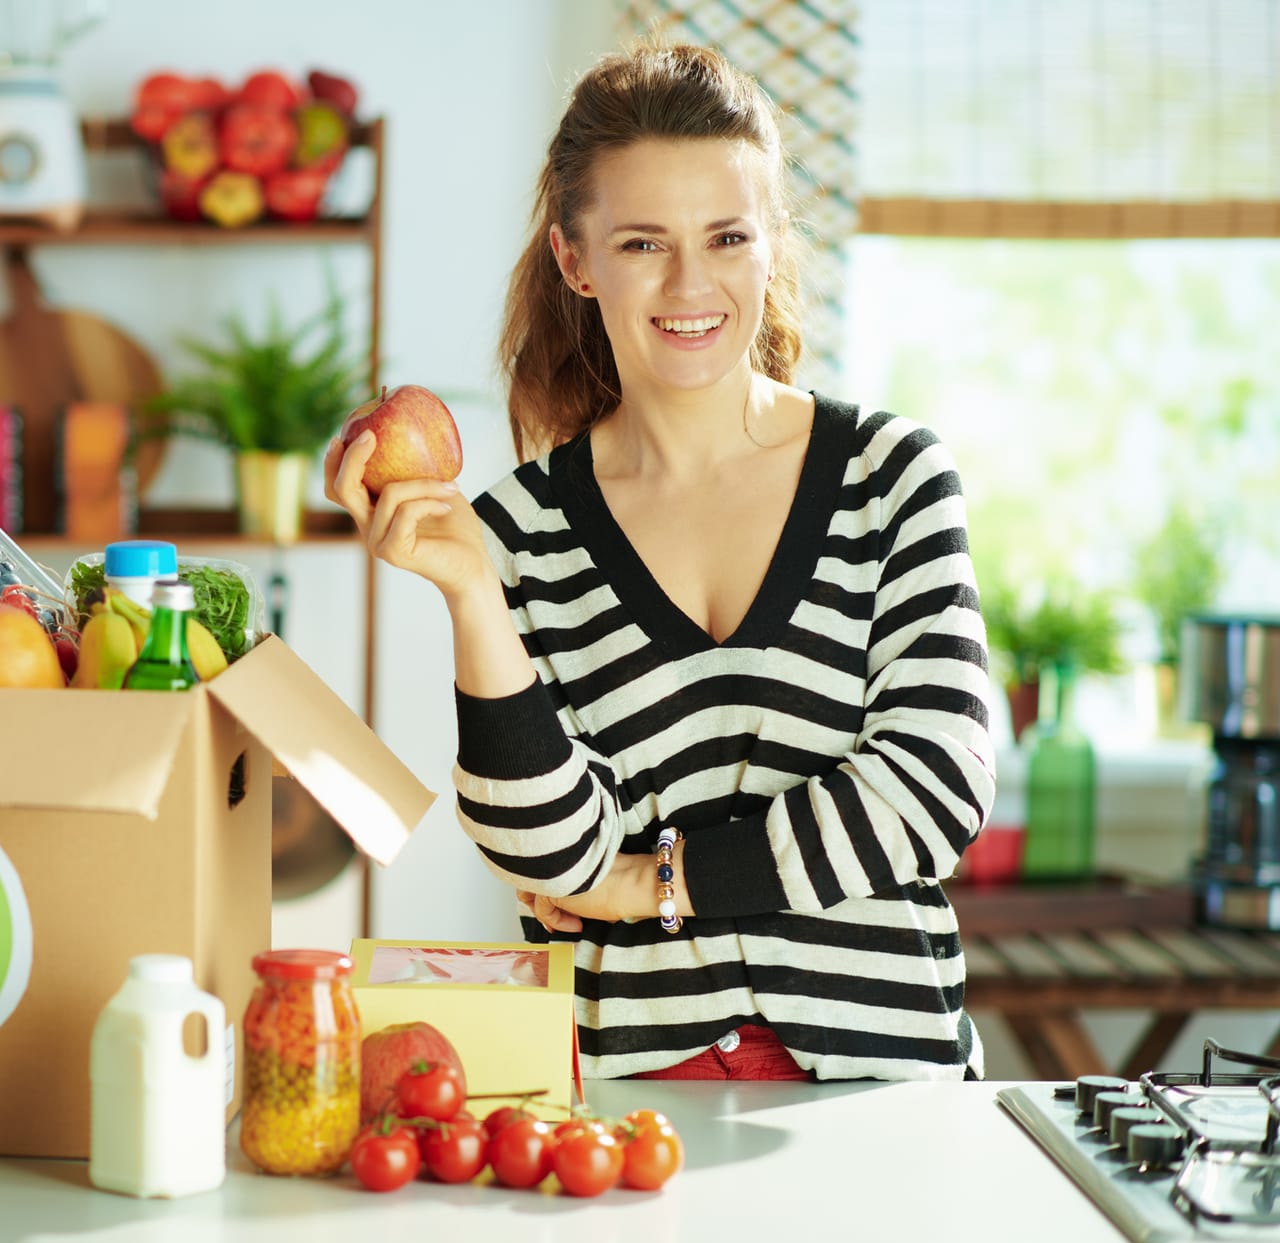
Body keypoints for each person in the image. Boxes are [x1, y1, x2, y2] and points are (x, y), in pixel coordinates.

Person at [324, 41, 995, 1082]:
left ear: (771, 244)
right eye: (643, 242)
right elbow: (551, 857)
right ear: (575, 261)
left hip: (888, 1086)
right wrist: (470, 594)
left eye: (727, 236)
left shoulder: (890, 476)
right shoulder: (516, 532)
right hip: (633, 1103)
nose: (690, 283)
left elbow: (933, 785)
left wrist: (654, 882)